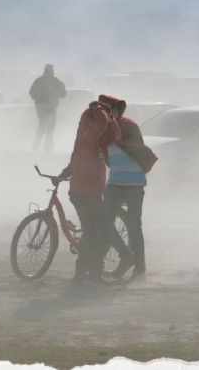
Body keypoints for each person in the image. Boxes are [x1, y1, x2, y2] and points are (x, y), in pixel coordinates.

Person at [58, 96, 121, 285]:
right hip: (89, 192)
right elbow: (116, 134)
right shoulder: (96, 137)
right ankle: (91, 274)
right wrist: (106, 115)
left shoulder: (84, 134)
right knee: (102, 233)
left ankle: (83, 274)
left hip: (80, 191)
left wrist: (64, 173)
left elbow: (75, 157)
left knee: (91, 231)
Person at [99, 96, 158, 280]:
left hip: (133, 183)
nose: (109, 114)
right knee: (105, 223)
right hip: (115, 182)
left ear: (118, 110)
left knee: (134, 226)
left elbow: (137, 151)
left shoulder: (128, 126)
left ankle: (139, 267)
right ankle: (125, 257)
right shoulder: (102, 128)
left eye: (111, 110)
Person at [29, 64, 67, 152]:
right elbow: (63, 94)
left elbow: (31, 93)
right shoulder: (54, 81)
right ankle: (45, 148)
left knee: (43, 128)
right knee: (49, 128)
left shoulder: (39, 81)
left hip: (43, 108)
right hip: (49, 108)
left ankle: (38, 147)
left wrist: (38, 100)